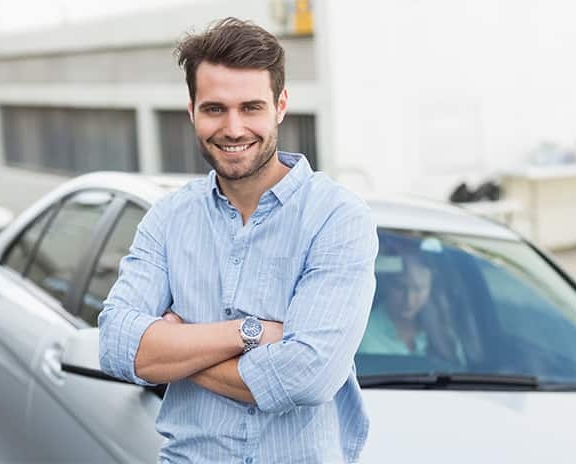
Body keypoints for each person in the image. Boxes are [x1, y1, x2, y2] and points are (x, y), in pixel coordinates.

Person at [98, 17, 378, 463]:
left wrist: (179, 348)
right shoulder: (167, 219)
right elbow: (115, 345)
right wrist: (250, 333)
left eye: (251, 107)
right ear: (192, 110)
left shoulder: (337, 218)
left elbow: (308, 376)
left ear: (280, 105)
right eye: (215, 109)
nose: (232, 128)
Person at [360, 253, 463, 363]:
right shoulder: (363, 332)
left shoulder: (445, 331)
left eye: (418, 289)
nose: (409, 299)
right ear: (386, 284)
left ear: (431, 287)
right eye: (400, 287)